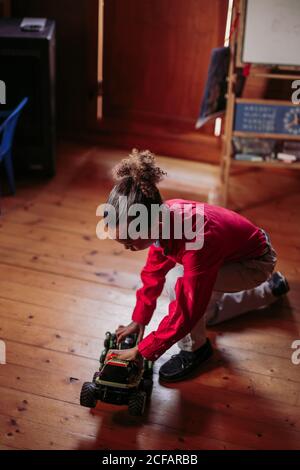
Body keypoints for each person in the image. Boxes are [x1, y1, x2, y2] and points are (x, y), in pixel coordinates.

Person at [104, 149, 290, 382]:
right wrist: (140, 318)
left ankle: (195, 351)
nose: (127, 248)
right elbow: (152, 272)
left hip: (253, 264)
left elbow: (188, 309)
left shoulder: (197, 240)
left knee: (178, 283)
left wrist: (143, 351)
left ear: (154, 224)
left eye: (129, 242)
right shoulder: (163, 217)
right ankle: (271, 290)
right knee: (207, 316)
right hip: (230, 257)